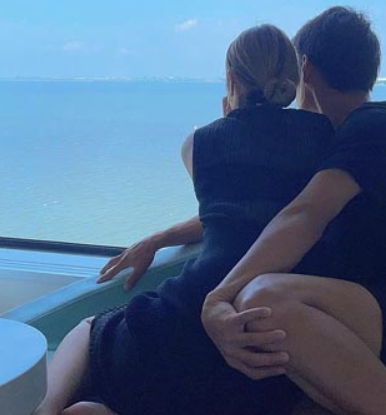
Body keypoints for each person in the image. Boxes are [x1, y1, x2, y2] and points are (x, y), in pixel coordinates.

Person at [34, 24, 334, 415]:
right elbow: (263, 213)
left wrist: (157, 239)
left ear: (231, 80)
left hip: (191, 318)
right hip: (269, 337)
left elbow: (226, 212)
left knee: (90, 328)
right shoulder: (325, 138)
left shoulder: (199, 143)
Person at [201, 6, 386, 415]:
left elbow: (304, 216)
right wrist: (161, 238)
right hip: (384, 325)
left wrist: (217, 298)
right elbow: (255, 212)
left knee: (264, 301)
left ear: (306, 69)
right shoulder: (339, 147)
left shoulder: (380, 124)